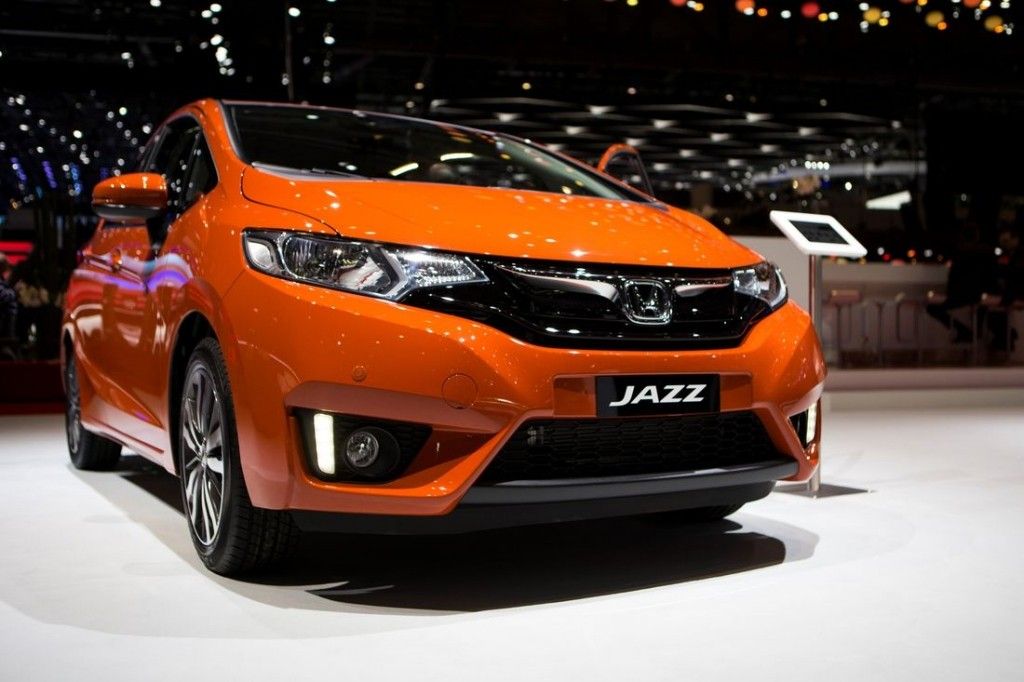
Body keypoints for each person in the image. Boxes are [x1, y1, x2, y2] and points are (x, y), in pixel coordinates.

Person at [925, 223, 996, 343]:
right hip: (979, 293)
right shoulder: (986, 252)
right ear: (977, 236)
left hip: (960, 294)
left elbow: (954, 276)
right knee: (982, 307)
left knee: (932, 308)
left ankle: (964, 332)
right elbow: (990, 276)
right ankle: (976, 332)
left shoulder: (958, 252)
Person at [0, 253, 19, 360]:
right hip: (3, 318)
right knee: (7, 342)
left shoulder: (3, 280)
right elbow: (2, 296)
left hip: (9, 316)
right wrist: (15, 291)